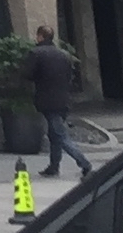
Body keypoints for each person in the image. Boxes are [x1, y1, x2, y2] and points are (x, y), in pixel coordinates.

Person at [28, 24, 94, 180]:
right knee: (54, 134)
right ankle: (54, 166)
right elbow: (70, 76)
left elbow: (28, 74)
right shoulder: (64, 55)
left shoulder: (36, 53)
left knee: (59, 135)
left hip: (47, 99)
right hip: (64, 99)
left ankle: (84, 163)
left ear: (40, 37)